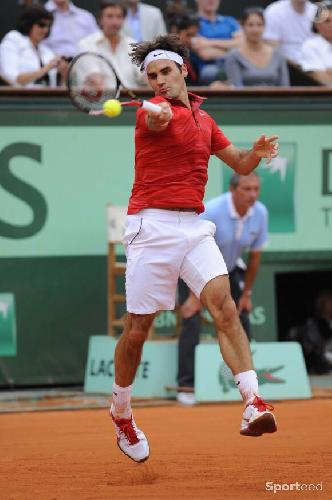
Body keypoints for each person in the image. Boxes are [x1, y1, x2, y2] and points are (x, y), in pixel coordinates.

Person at [109, 33, 278, 463]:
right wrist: (158, 114)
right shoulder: (150, 115)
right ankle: (122, 413)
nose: (159, 81)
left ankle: (252, 402)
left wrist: (256, 154)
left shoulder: (205, 120)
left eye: (166, 72)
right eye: (151, 76)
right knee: (138, 331)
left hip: (193, 227)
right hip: (150, 225)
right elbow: (158, 121)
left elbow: (238, 162)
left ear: (184, 70)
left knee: (224, 307)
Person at [177, 172, 268, 405]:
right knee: (192, 318)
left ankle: (250, 388)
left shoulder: (260, 213)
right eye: (247, 189)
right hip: (193, 269)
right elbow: (188, 249)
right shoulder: (212, 210)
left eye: (256, 189)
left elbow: (255, 257)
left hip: (228, 270)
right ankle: (186, 385)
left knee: (242, 316)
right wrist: (194, 296)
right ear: (232, 189)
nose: (252, 195)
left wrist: (246, 294)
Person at [78, 0, 145, 88]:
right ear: (100, 19)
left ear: (124, 20)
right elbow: (95, 80)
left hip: (132, 100)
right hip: (102, 100)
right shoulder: (86, 45)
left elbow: (143, 77)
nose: (115, 22)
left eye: (119, 16)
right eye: (110, 16)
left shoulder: (133, 44)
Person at [0, 5, 67, 87]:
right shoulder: (13, 39)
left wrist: (64, 74)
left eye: (48, 26)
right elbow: (12, 79)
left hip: (47, 98)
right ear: (29, 23)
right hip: (18, 97)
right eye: (41, 25)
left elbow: (56, 87)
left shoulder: (47, 51)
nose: (45, 30)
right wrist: (46, 68)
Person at [225, 7, 290, 87]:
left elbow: (285, 87)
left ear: (265, 27)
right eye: (250, 25)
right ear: (243, 27)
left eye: (259, 25)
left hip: (275, 98)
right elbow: (237, 87)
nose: (255, 30)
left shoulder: (278, 54)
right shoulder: (234, 56)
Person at [190, 0, 242, 84]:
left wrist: (209, 43)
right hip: (209, 74)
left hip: (237, 67)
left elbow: (243, 43)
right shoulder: (192, 23)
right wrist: (233, 48)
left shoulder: (230, 21)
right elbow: (205, 54)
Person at [263, 0, 317, 65]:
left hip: (316, 62)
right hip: (287, 65)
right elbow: (272, 48)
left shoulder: (317, 11)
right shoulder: (273, 11)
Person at [300, 0, 332, 86]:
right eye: (327, 21)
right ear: (317, 24)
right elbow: (321, 77)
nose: (331, 25)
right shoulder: (310, 46)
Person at [168, 13, 201, 85]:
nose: (191, 40)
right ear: (174, 33)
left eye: (194, 36)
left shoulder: (192, 57)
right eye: (188, 35)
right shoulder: (167, 60)